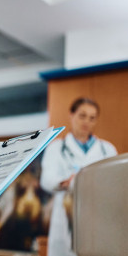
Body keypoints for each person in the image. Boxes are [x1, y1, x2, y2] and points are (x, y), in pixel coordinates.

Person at [40, 97, 117, 256]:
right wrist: (64, 182)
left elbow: (115, 182)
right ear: (71, 115)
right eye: (82, 116)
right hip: (65, 217)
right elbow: (46, 180)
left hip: (99, 218)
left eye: (92, 118)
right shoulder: (56, 148)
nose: (86, 122)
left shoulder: (107, 150)